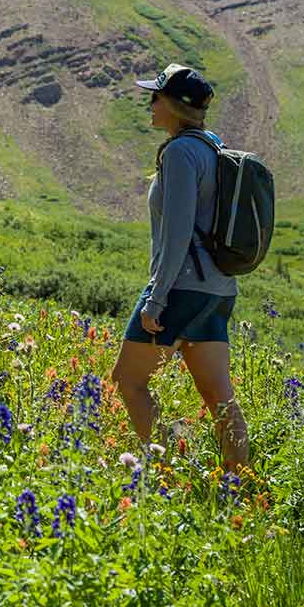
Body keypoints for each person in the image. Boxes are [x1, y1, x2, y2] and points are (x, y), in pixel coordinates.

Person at [109, 63, 250, 473]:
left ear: (171, 104)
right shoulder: (212, 144)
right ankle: (237, 486)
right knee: (219, 399)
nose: (149, 103)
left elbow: (177, 232)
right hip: (218, 291)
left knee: (129, 382)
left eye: (154, 96)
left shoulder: (179, 153)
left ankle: (173, 473)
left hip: (180, 288)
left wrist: (156, 298)